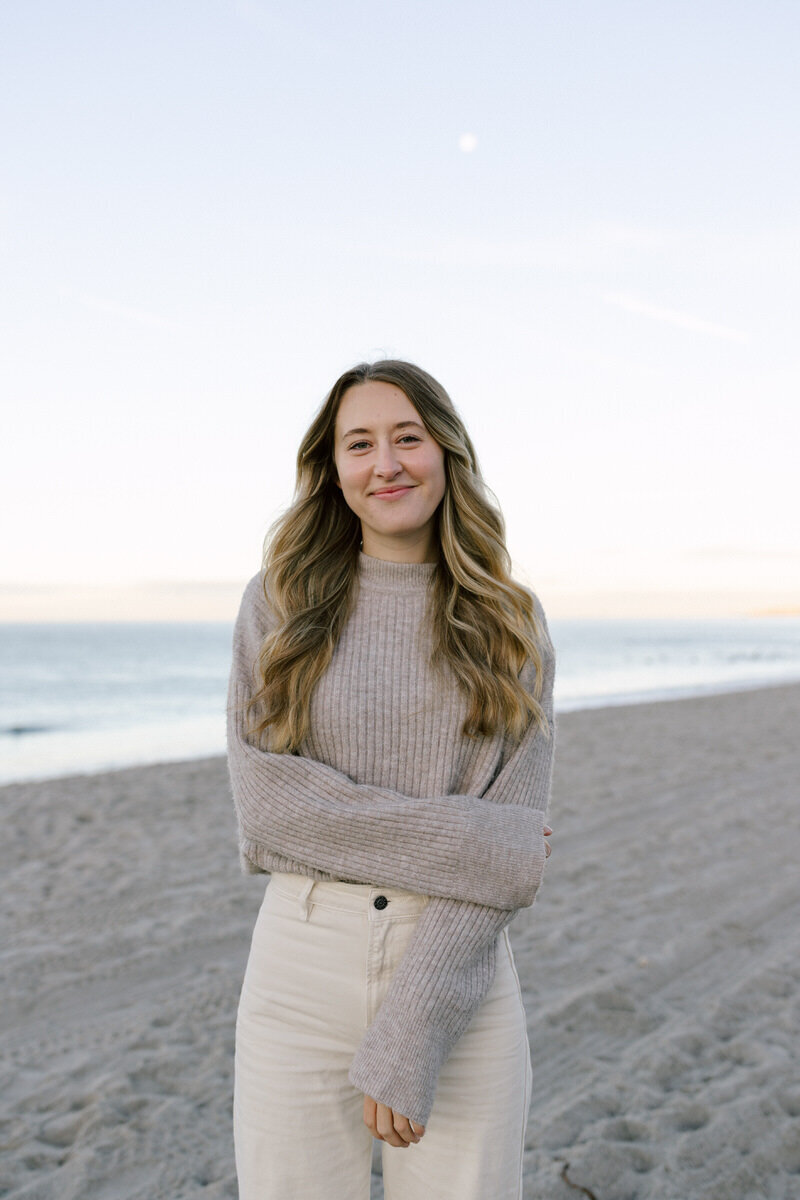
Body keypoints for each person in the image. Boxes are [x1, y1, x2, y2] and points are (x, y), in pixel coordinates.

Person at [226, 358, 556, 1200]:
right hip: (299, 968)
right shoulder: (279, 604)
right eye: (360, 443)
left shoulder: (510, 622)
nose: (387, 464)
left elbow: (502, 869)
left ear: (445, 453)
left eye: (408, 438)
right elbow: (267, 809)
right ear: (332, 470)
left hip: (459, 970)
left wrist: (412, 1030)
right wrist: (479, 841)